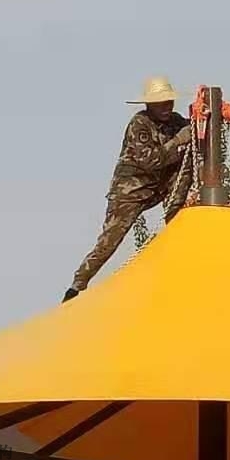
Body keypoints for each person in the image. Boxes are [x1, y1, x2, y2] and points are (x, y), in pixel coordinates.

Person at [64, 76, 196, 302]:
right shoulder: (139, 125)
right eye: (161, 103)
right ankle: (77, 286)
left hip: (159, 186)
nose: (167, 107)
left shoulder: (175, 121)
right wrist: (178, 141)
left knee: (186, 167)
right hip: (130, 191)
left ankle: (176, 225)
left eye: (169, 102)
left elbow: (191, 131)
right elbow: (152, 160)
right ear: (149, 104)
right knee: (109, 241)